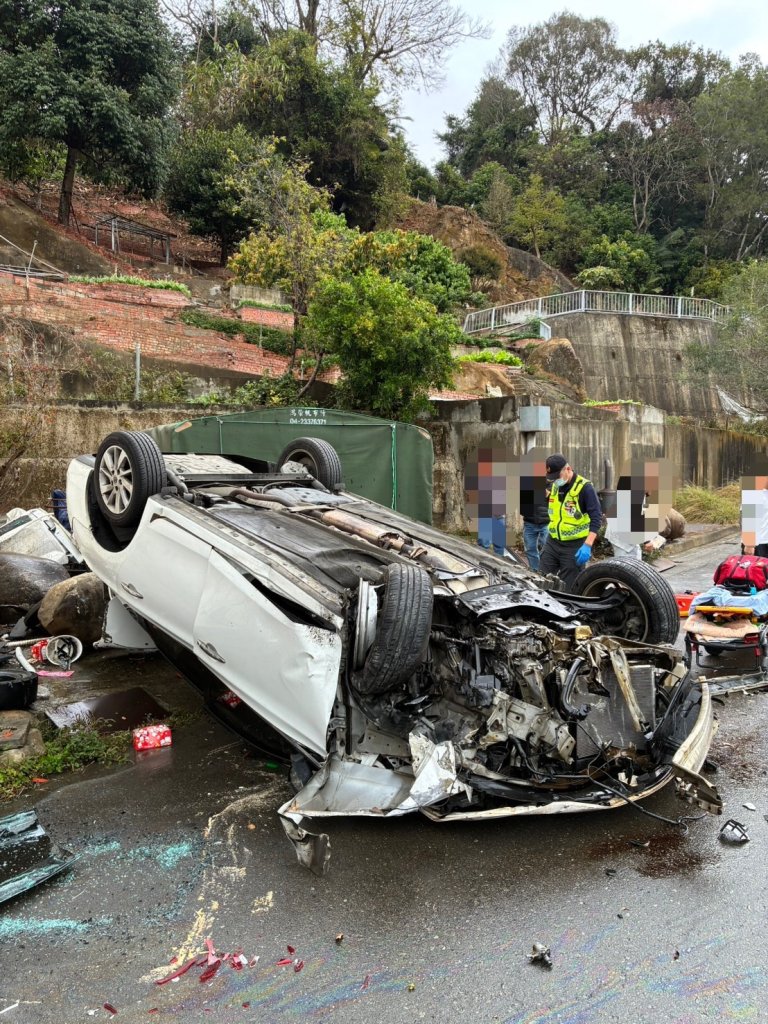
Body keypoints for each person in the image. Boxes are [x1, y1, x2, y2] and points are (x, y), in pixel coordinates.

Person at [540, 453, 602, 590]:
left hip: (574, 547)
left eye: (558, 476)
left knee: (569, 588)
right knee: (540, 581)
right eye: (552, 478)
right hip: (552, 542)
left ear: (568, 469)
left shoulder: (585, 488)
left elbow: (596, 518)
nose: (555, 480)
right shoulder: (555, 486)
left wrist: (587, 545)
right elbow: (556, 506)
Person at [520, 460, 550, 571]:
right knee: (530, 549)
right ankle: (535, 571)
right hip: (529, 522)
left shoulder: (551, 484)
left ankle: (546, 571)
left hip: (546, 523)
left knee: (546, 549)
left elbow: (552, 499)